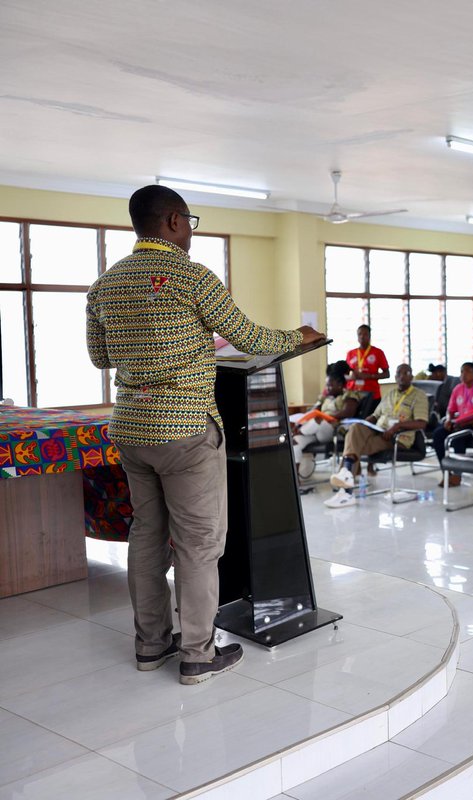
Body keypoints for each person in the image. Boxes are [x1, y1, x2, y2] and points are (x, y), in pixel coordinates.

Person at [85, 184, 322, 684]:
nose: (190, 232)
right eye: (189, 222)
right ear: (173, 221)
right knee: (197, 544)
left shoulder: (104, 285)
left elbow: (102, 358)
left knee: (148, 536)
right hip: (186, 430)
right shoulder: (191, 277)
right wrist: (299, 338)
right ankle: (197, 652)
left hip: (130, 428)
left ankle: (151, 645)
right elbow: (252, 339)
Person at [325, 363, 430, 508]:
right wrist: (364, 424)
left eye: (406, 373)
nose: (402, 377)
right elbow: (375, 416)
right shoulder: (390, 394)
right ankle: (346, 479)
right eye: (399, 374)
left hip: (396, 438)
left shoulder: (419, 396)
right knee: (355, 428)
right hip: (378, 431)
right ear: (395, 377)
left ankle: (346, 488)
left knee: (354, 445)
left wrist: (397, 427)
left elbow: (421, 423)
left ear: (411, 376)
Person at [292, 362, 362, 469]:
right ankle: (296, 478)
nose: (327, 388)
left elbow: (348, 412)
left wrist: (327, 416)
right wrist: (301, 422)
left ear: (339, 384)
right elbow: (313, 411)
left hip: (333, 429)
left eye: (330, 385)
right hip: (315, 431)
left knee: (320, 421)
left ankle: (301, 430)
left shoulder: (349, 394)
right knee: (296, 441)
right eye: (327, 385)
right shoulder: (325, 397)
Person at [432, 362, 473, 486]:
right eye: (461, 372)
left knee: (457, 439)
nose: (464, 375)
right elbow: (451, 409)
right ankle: (446, 473)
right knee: (438, 435)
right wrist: (448, 419)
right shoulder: (458, 388)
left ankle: (457, 475)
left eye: (467, 371)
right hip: (458, 423)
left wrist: (464, 423)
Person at [345, 324, 389, 400]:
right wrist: (351, 377)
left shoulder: (378, 352)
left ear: (370, 336)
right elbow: (345, 375)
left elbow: (387, 374)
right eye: (360, 334)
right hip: (353, 394)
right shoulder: (350, 353)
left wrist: (369, 376)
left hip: (372, 394)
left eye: (365, 334)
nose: (362, 336)